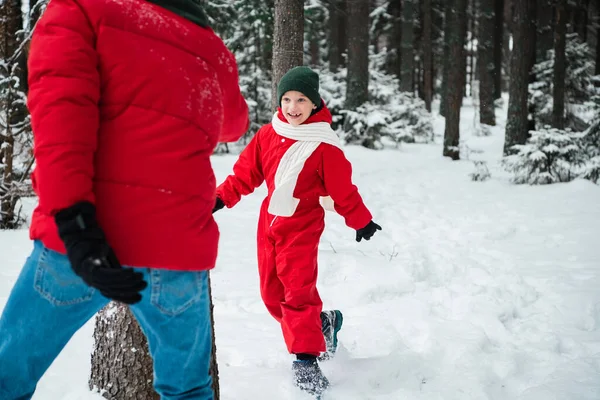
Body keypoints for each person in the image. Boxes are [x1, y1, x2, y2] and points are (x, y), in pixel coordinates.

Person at [0, 0, 249, 398]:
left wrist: (76, 225)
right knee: (187, 392)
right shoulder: (209, 46)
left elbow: (63, 118)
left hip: (82, 242)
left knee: (6, 376)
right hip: (177, 253)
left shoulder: (79, 10)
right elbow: (233, 123)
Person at [213, 66, 381, 397]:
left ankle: (305, 361)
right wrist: (219, 197)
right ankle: (322, 324)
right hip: (269, 223)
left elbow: (342, 189)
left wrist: (359, 219)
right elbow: (246, 175)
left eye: (301, 100)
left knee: (297, 291)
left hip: (302, 225)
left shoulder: (323, 145)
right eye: (287, 99)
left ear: (314, 102)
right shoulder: (267, 134)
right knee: (271, 295)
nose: (292, 107)